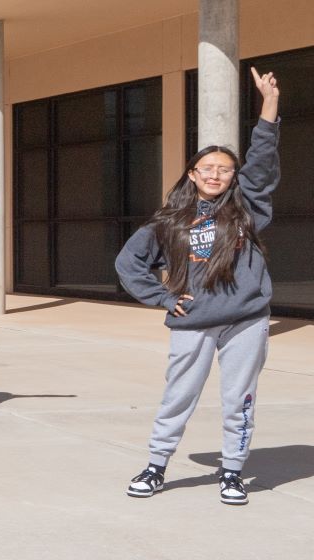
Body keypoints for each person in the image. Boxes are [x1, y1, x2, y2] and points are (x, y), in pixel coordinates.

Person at [115, 67, 282, 506]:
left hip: (246, 320)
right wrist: (165, 297)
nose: (215, 175)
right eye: (207, 168)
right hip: (194, 321)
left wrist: (269, 106)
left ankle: (232, 471)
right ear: (192, 173)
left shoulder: (247, 211)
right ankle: (156, 466)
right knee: (179, 395)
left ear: (232, 177)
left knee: (239, 399)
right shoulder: (170, 221)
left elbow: (262, 164)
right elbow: (129, 263)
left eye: (224, 170)